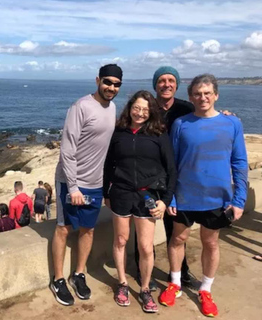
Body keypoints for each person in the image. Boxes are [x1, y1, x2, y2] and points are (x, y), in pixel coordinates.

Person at [159, 74, 248, 317]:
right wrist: (172, 198)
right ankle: (175, 283)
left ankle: (205, 289)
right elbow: (172, 164)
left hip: (217, 197)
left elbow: (239, 162)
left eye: (207, 93)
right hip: (185, 196)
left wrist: (239, 200)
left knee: (210, 242)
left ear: (216, 95)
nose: (203, 97)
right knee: (178, 240)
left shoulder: (232, 124)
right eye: (197, 93)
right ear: (190, 97)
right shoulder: (181, 124)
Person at [50, 64, 123, 306]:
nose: (111, 87)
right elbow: (67, 150)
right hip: (70, 182)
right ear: (97, 80)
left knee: (88, 230)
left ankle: (78, 273)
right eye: (107, 82)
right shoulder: (80, 107)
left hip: (95, 183)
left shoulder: (112, 108)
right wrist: (73, 187)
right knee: (63, 229)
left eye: (116, 84)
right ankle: (58, 279)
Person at [103, 90, 177, 313]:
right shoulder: (119, 132)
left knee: (145, 246)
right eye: (137, 108)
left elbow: (171, 169)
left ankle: (145, 289)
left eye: (145, 109)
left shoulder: (158, 134)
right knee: (121, 240)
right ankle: (123, 283)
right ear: (130, 108)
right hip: (121, 193)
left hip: (148, 196)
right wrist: (106, 192)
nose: (140, 113)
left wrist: (165, 200)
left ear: (151, 111)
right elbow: (108, 164)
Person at [133, 66, 195, 291]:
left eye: (171, 80)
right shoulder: (146, 108)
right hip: (147, 181)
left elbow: (207, 115)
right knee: (142, 224)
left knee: (175, 227)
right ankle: (141, 269)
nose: (166, 84)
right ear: (155, 85)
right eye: (161, 80)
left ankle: (180, 270)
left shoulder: (186, 108)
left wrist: (227, 115)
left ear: (177, 84)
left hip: (174, 178)